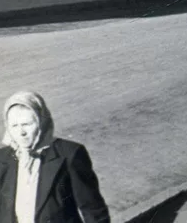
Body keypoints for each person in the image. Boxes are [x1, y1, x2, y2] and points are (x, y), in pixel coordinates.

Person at [0, 91, 110, 223]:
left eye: (27, 124)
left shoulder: (69, 154)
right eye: (14, 126)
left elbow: (93, 210)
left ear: (42, 122)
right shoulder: (4, 158)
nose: (21, 132)